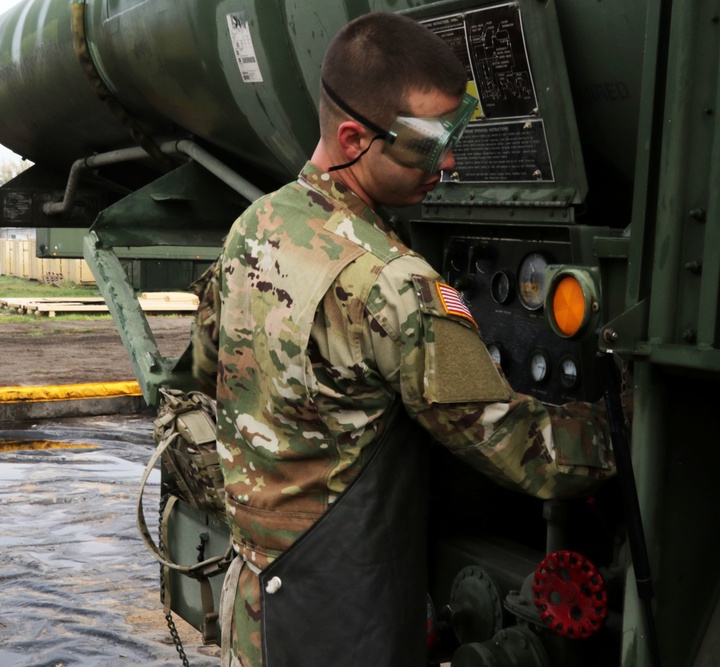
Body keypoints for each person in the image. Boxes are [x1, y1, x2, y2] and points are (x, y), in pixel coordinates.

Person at [189, 11, 615, 667]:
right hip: (341, 618)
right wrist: (624, 429)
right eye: (426, 143)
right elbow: (525, 452)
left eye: (456, 134)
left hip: (256, 598)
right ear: (356, 136)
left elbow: (211, 367)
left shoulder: (254, 226)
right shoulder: (395, 286)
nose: (447, 161)